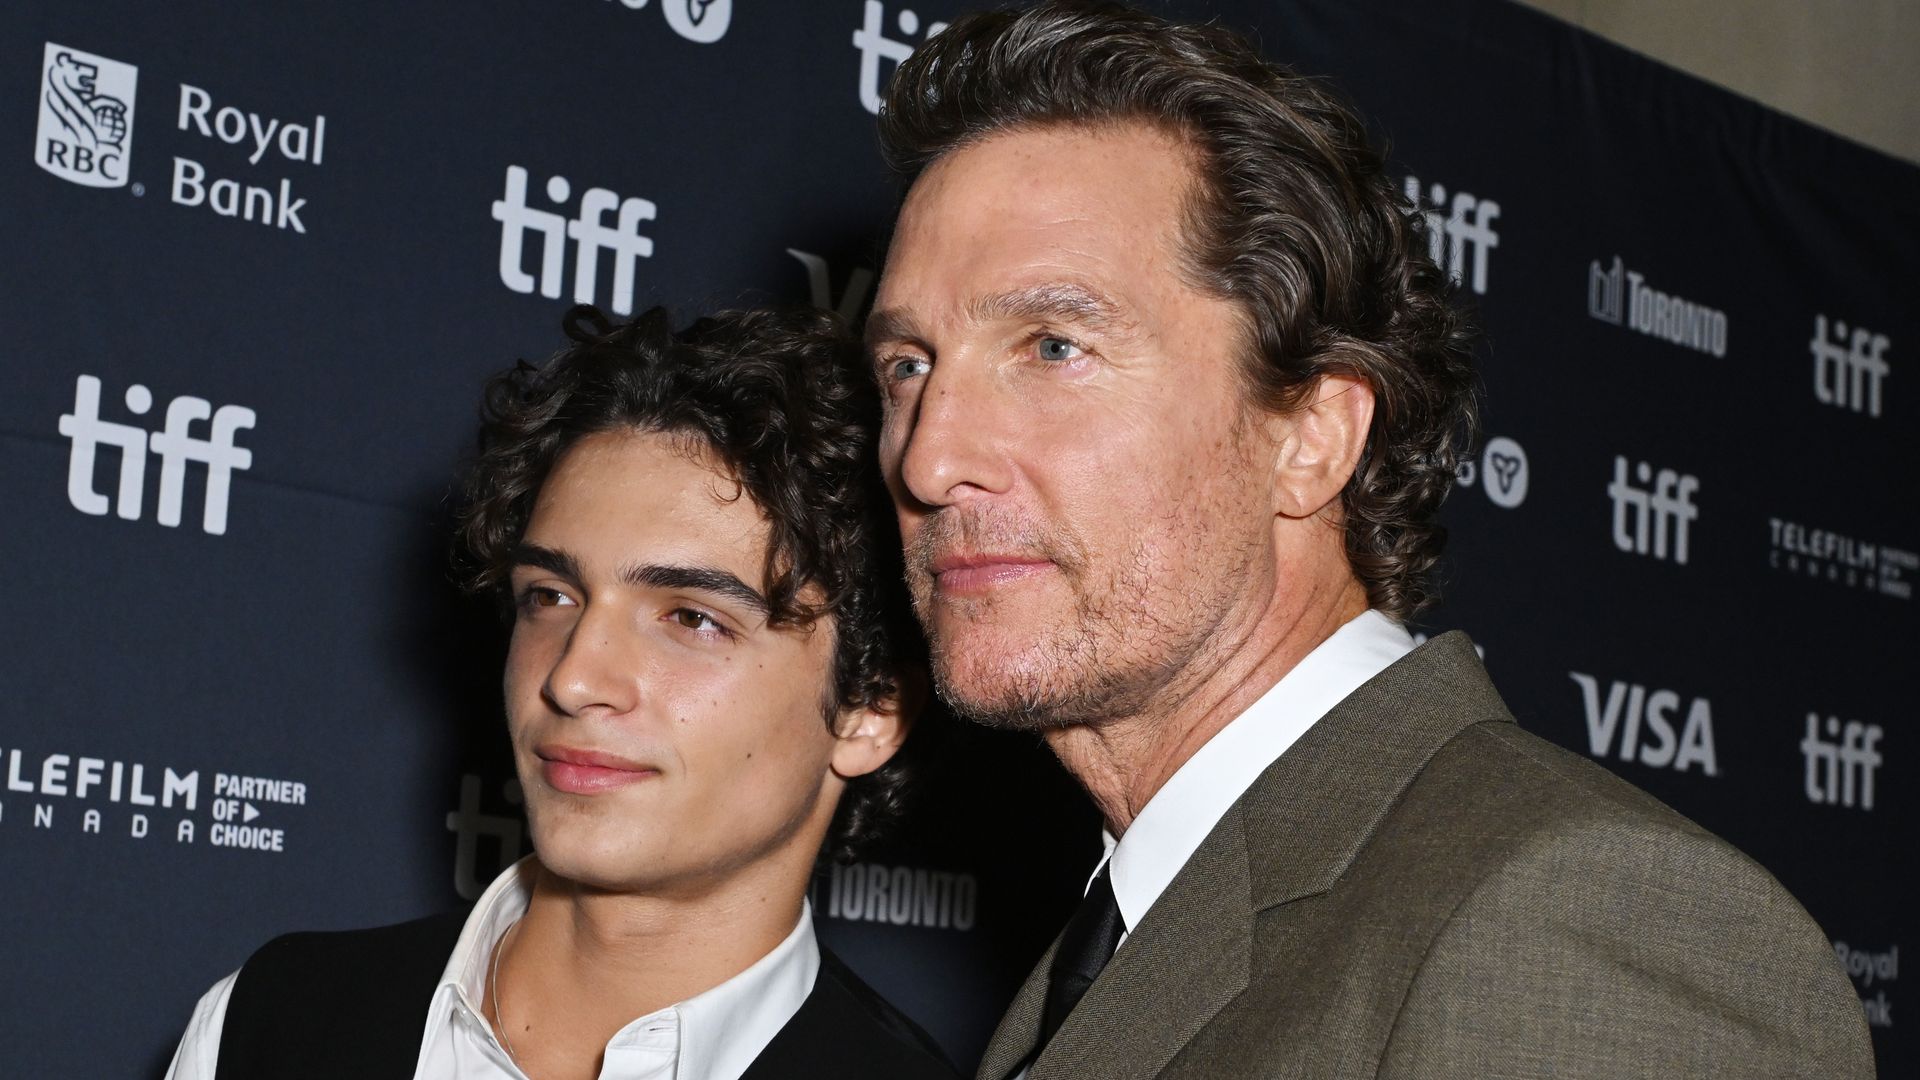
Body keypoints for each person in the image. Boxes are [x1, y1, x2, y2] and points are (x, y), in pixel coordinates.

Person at [864, 3, 1875, 1078]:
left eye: (1054, 347)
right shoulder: (1119, 926)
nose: (928, 464)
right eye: (908, 367)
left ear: (1312, 437)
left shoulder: (1577, 917)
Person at [164, 306, 957, 1080]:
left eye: (691, 618)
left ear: (872, 708)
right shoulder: (272, 1023)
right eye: (550, 596)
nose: (573, 678)